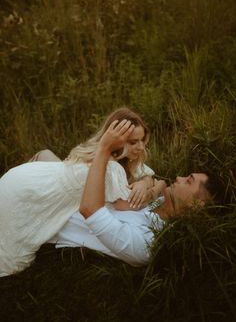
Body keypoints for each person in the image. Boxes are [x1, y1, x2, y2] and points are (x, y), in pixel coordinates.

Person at [0, 109, 156, 277]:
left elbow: (145, 172)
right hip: (25, 192)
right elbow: (128, 204)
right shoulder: (112, 168)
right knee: (15, 263)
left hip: (29, 176)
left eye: (142, 140)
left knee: (45, 156)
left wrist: (144, 181)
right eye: (133, 142)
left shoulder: (99, 152)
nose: (140, 147)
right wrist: (158, 188)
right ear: (117, 141)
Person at [50, 119, 215, 268]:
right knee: (44, 155)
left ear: (196, 206)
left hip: (53, 213)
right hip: (68, 194)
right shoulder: (159, 203)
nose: (179, 177)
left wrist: (104, 149)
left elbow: (89, 210)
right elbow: (155, 180)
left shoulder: (146, 243)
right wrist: (147, 183)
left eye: (189, 181)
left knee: (42, 160)